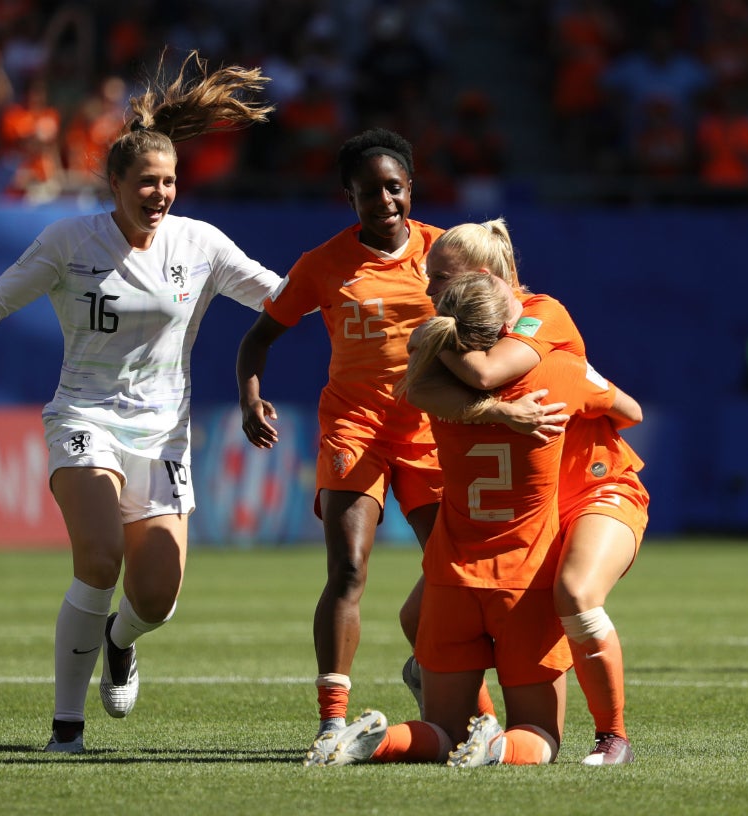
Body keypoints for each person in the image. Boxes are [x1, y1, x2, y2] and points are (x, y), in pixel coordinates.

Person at [0, 50, 280, 752]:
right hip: (83, 416)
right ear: (115, 184)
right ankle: (67, 728)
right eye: (147, 182)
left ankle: (121, 641)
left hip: (163, 433)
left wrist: (361, 290)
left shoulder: (200, 243)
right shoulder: (70, 240)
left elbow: (280, 294)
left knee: (157, 598)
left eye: (169, 181)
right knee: (99, 557)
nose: (161, 193)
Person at [305, 270, 643, 767]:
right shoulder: (561, 371)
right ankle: (501, 745)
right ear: (507, 327)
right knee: (539, 736)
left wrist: (461, 375)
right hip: (523, 580)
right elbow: (629, 411)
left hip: (450, 579)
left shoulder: (428, 385)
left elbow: (422, 372)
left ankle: (381, 740)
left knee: (443, 731)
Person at [236, 128, 458, 750]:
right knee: (349, 568)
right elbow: (258, 339)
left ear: (410, 188)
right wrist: (251, 398)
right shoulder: (322, 264)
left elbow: (501, 316)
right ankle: (332, 719)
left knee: (452, 567)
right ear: (350, 198)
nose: (384, 201)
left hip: (429, 429)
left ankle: (427, 670)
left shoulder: (446, 253)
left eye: (394, 188)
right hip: (354, 428)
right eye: (369, 191)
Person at [406, 218, 650, 765]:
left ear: (486, 277)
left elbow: (489, 373)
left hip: (595, 484)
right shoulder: (456, 331)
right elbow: (422, 390)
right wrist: (491, 403)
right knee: (413, 617)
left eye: (440, 277)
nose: (429, 288)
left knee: (575, 593)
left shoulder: (543, 313)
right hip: (537, 502)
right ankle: (483, 735)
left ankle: (613, 737)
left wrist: (435, 340)